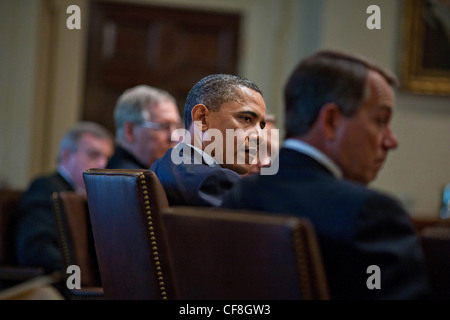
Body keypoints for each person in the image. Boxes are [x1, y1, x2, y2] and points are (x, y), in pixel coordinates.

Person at [221, 50, 430, 300]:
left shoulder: (239, 196)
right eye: (380, 120)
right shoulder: (372, 214)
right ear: (331, 121)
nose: (391, 141)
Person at [150, 74, 266, 207]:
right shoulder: (215, 181)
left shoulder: (161, 166)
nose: (259, 136)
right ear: (202, 118)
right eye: (246, 119)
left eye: (261, 126)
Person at [14, 121, 114, 273]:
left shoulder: (90, 197)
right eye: (94, 154)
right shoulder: (46, 188)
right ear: (66, 156)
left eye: (106, 158)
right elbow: (35, 248)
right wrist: (82, 273)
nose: (102, 163)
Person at [106, 85, 182, 169]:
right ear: (130, 131)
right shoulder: (132, 179)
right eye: (164, 126)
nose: (174, 137)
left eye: (177, 126)